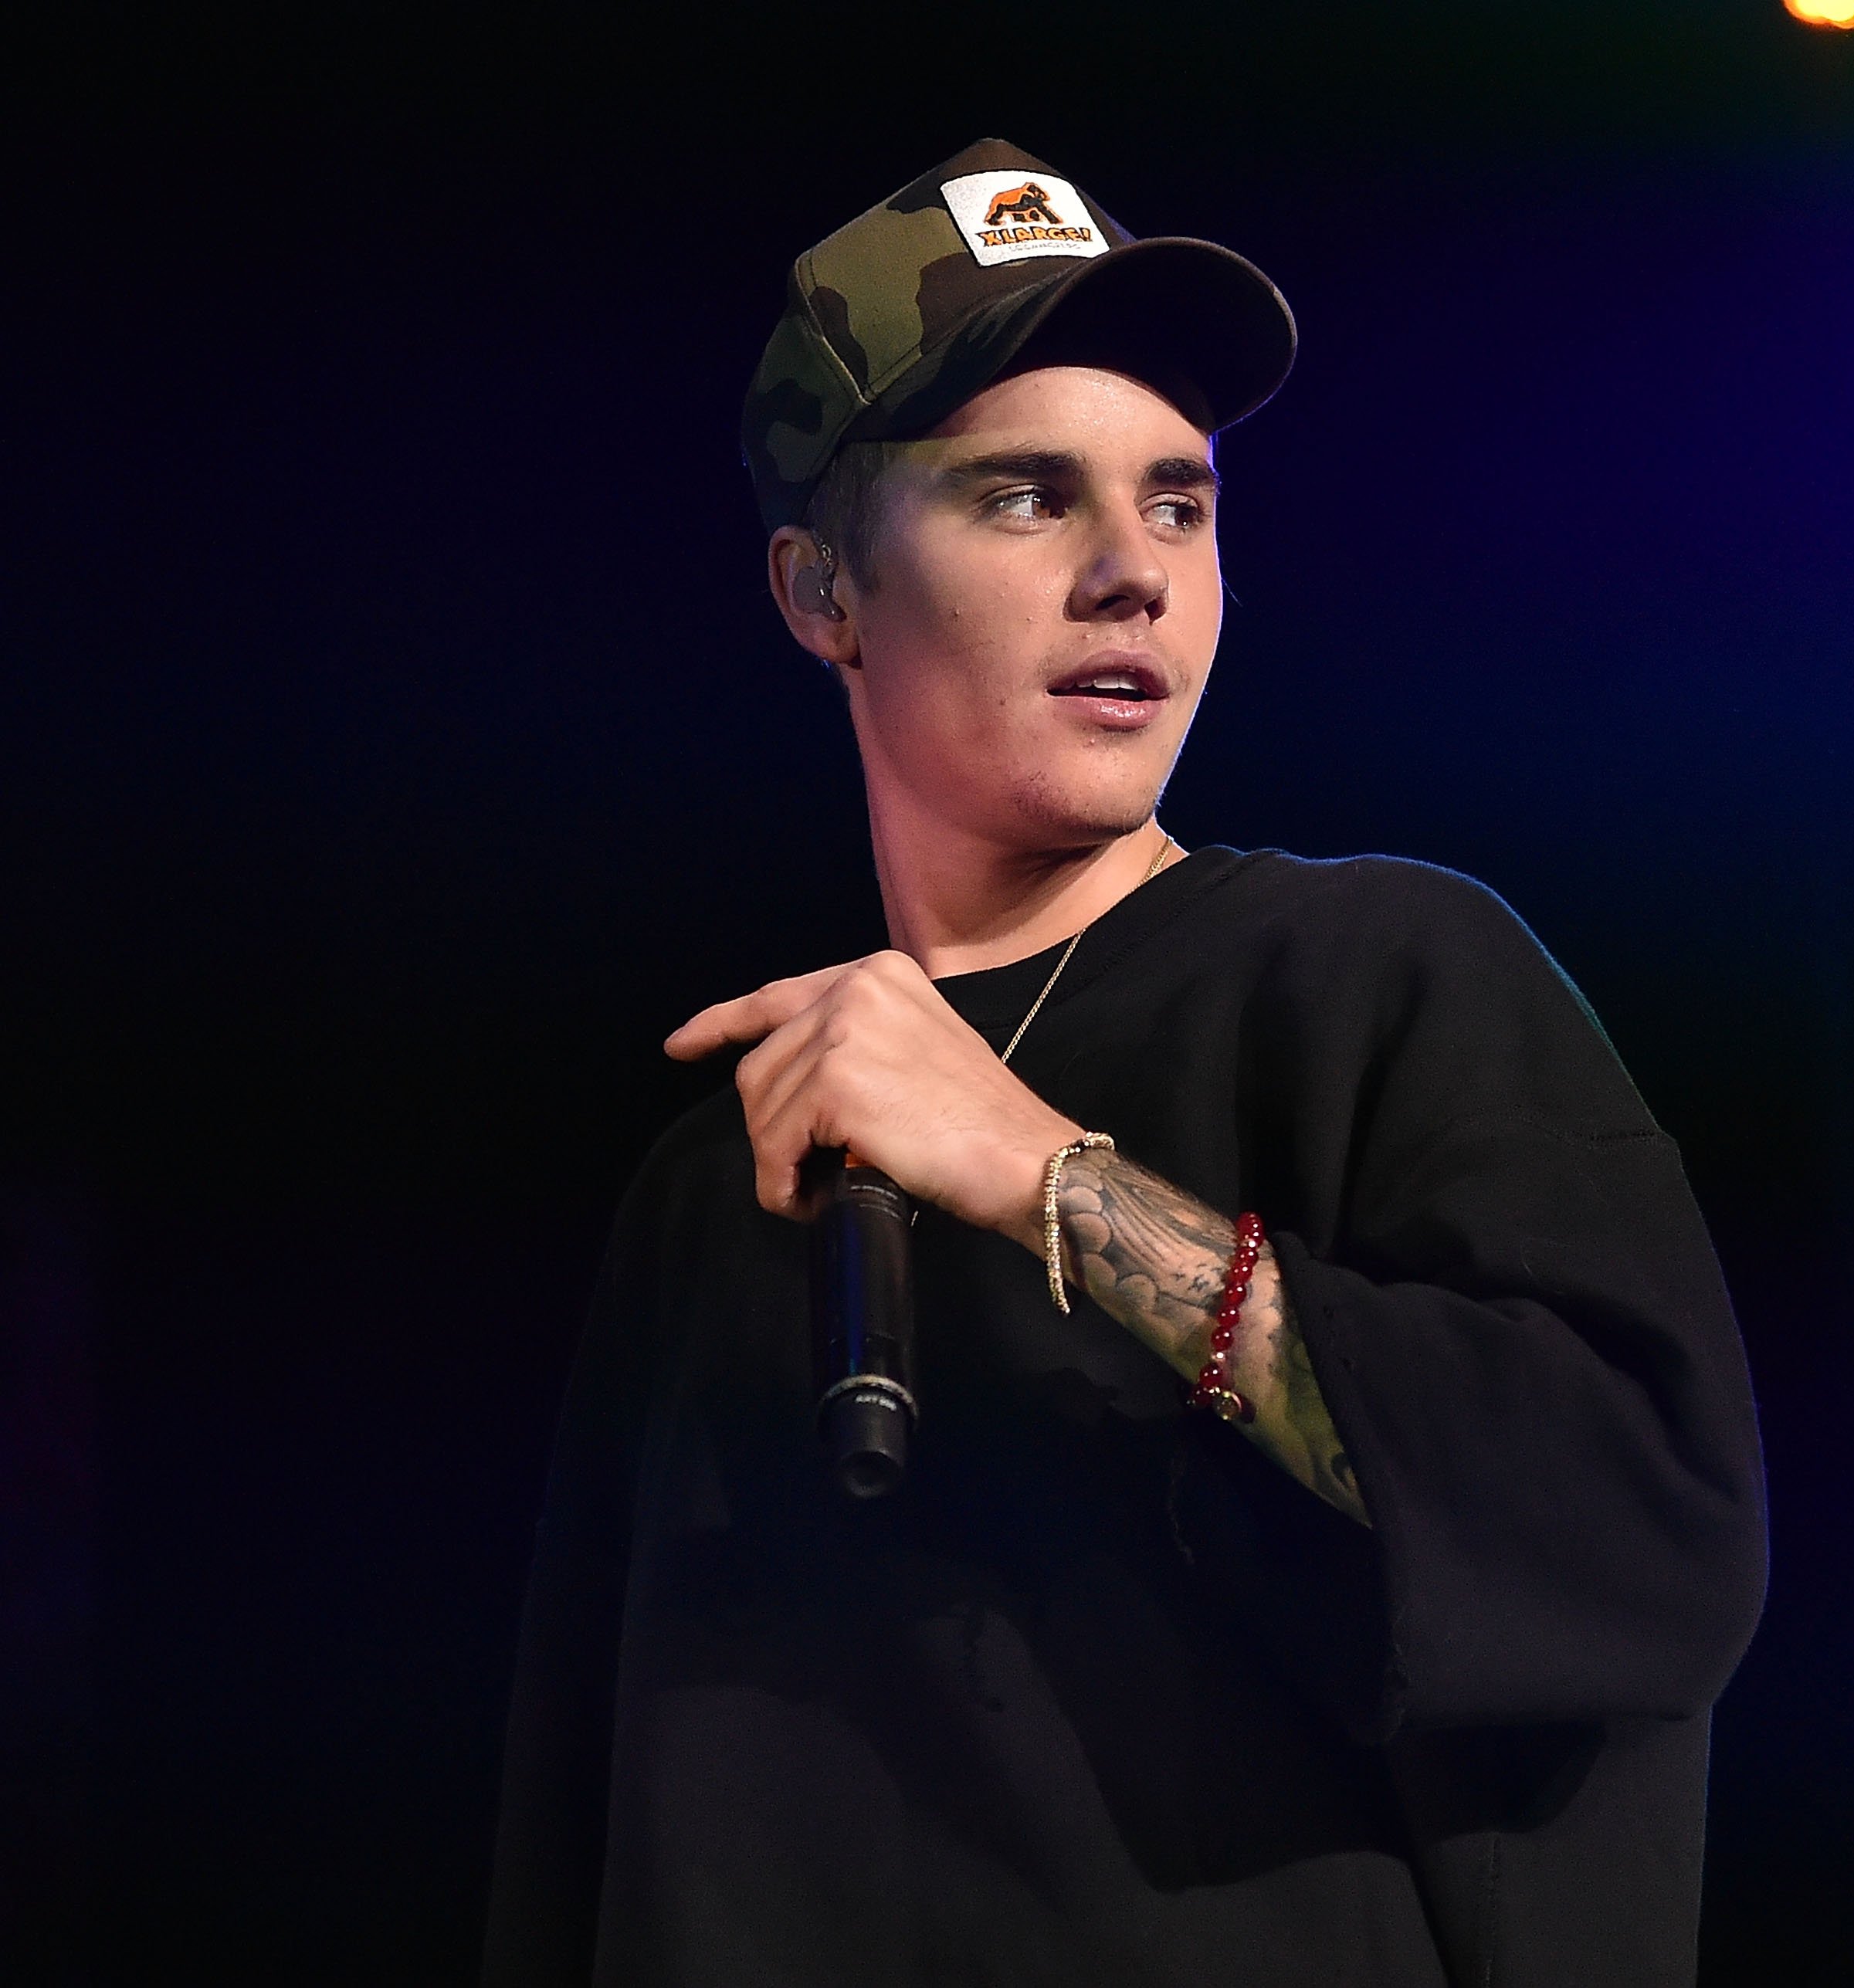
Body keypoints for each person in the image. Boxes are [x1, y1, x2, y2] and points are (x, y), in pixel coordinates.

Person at [482, 138, 1767, 1988]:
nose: (1129, 575)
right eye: (1023, 498)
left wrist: (1048, 1174)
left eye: (1181, 503)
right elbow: (585, 1842)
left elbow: (1654, 1535)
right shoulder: (721, 1183)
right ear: (820, 592)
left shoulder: (1379, 974)